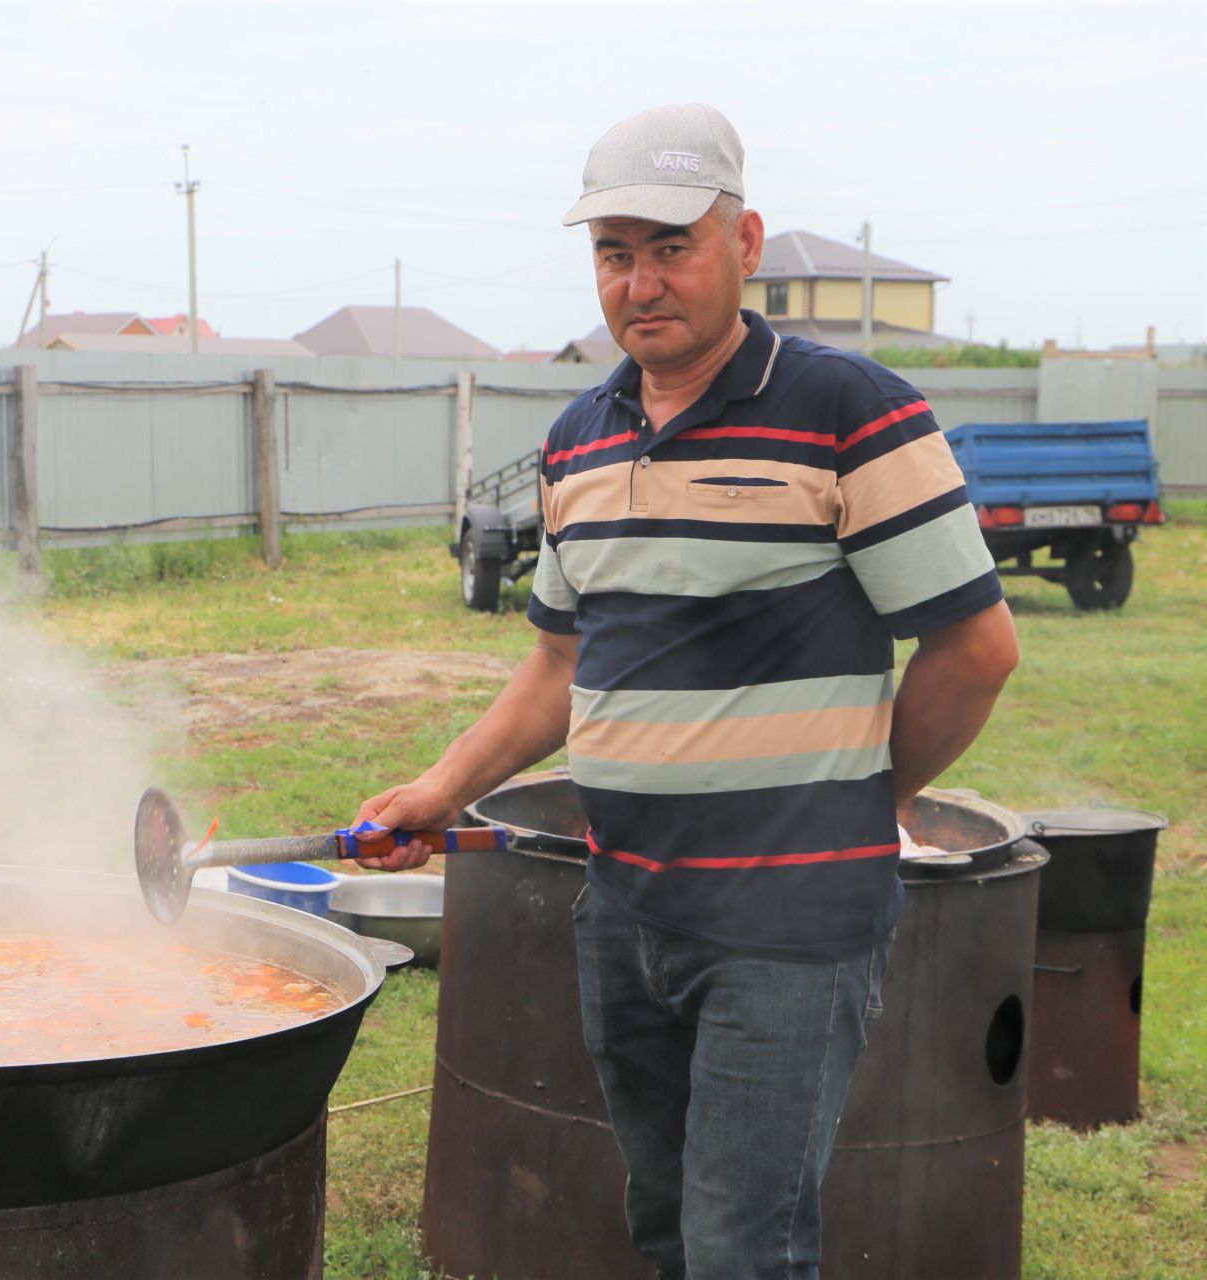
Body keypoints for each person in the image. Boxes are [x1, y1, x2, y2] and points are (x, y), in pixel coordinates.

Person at [355, 103, 1020, 1280]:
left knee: (741, 1247)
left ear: (746, 242)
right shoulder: (581, 439)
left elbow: (976, 648)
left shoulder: (849, 410)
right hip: (625, 909)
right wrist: (439, 787)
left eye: (672, 245)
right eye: (615, 252)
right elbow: (559, 666)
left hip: (787, 928)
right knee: (665, 1222)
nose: (640, 281)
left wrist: (865, 794)